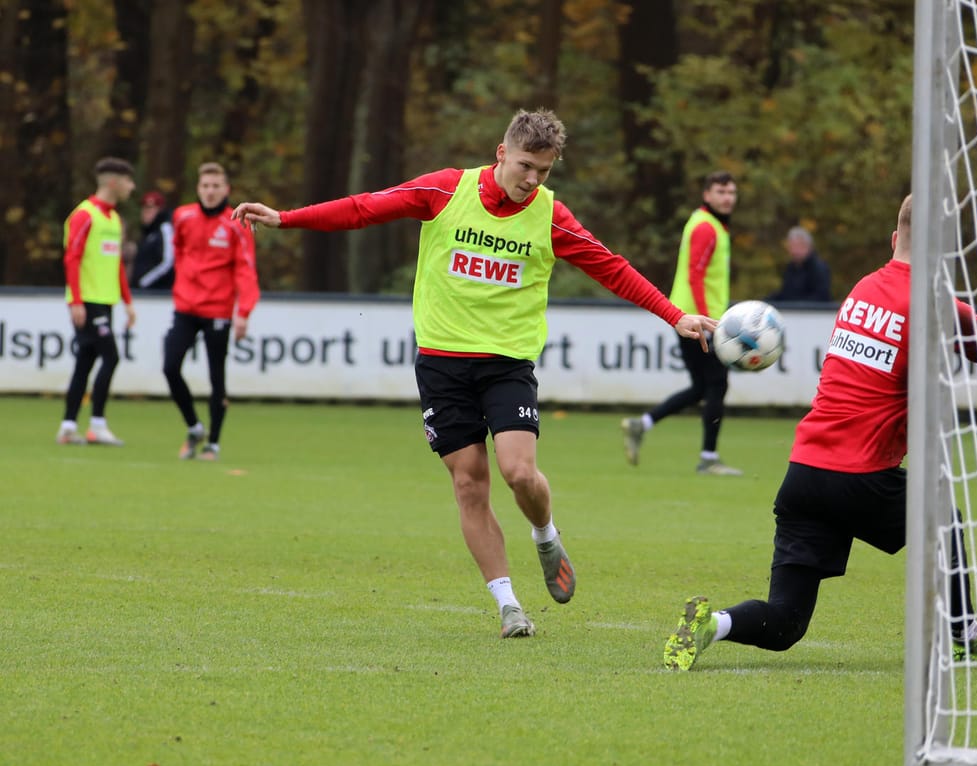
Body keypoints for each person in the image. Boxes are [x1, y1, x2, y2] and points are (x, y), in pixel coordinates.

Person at [233, 109, 715, 639]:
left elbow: (612, 267)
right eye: (527, 166)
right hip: (441, 364)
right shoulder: (444, 191)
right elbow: (365, 208)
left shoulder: (551, 217)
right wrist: (286, 218)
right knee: (469, 483)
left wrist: (676, 315)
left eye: (545, 171)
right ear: (501, 153)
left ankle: (545, 533)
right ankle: (508, 604)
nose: (533, 180)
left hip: (507, 363)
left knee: (519, 473)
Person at [662, 193, 977, 671]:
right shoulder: (931, 299)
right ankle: (963, 635)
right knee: (945, 517)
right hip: (861, 474)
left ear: (893, 237)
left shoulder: (862, 289)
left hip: (804, 475)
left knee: (785, 624)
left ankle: (713, 624)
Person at [622, 171, 741, 476]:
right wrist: (704, 322)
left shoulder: (711, 224)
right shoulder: (706, 227)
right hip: (695, 320)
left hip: (691, 317)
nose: (727, 197)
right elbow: (694, 275)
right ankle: (709, 458)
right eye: (721, 191)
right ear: (707, 195)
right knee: (717, 383)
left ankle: (642, 424)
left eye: (731, 192)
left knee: (702, 387)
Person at [164, 162, 260, 462]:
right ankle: (194, 426)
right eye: (205, 186)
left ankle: (213, 444)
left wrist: (243, 310)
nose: (210, 191)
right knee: (170, 367)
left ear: (226, 190)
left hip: (218, 309)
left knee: (216, 378)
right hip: (185, 306)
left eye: (216, 186)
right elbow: (178, 251)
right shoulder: (183, 216)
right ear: (198, 188)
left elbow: (246, 269)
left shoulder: (236, 224)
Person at [56, 157, 138, 446]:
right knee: (111, 356)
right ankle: (97, 425)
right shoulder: (84, 215)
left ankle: (67, 427)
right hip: (87, 301)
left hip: (105, 301)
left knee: (85, 362)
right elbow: (72, 258)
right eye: (129, 181)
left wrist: (127, 301)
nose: (132, 186)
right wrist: (76, 301)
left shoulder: (114, 219)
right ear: (114, 182)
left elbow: (115, 265)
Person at [765, 226, 831, 303]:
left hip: (811, 313)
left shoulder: (819, 268)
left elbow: (821, 297)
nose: (795, 251)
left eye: (799, 246)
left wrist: (795, 304)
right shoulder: (791, 268)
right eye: (792, 246)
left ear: (809, 246)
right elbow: (785, 293)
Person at [130, 190, 176, 291]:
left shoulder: (165, 229)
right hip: (143, 293)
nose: (146, 212)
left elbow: (167, 261)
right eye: (144, 208)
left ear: (160, 210)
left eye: (150, 208)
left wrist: (143, 282)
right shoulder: (147, 233)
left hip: (158, 293)